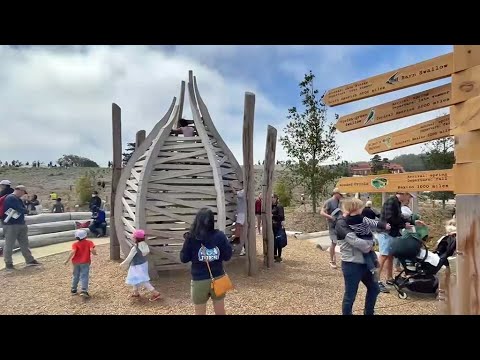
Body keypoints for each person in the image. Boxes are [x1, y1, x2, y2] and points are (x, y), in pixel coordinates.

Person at [180, 208, 233, 315]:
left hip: (199, 280)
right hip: (218, 277)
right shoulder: (220, 236)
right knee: (220, 311)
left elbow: (184, 258)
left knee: (199, 312)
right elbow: (227, 256)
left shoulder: (191, 238)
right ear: (212, 221)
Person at [377, 192, 426, 293]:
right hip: (386, 232)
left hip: (392, 232)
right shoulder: (391, 201)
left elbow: (399, 217)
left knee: (390, 255)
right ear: (404, 194)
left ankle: (389, 278)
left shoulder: (397, 202)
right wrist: (404, 225)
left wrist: (412, 222)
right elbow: (390, 218)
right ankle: (375, 282)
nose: (409, 199)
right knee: (383, 256)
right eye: (409, 196)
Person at [335, 207, 381, 315]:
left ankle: (369, 312)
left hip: (367, 263)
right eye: (359, 209)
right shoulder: (341, 224)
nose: (360, 212)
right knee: (350, 295)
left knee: (375, 288)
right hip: (352, 264)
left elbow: (371, 237)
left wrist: (374, 256)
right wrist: (372, 243)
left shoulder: (359, 221)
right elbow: (360, 244)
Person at [343, 198, 390, 280]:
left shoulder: (347, 219)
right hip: (367, 237)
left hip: (359, 237)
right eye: (361, 208)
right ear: (356, 208)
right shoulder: (362, 218)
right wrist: (384, 225)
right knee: (370, 251)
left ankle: (372, 267)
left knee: (366, 253)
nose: (362, 209)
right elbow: (373, 222)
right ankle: (374, 266)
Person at [2, 185, 41, 270]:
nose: (23, 194)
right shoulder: (10, 198)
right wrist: (26, 211)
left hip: (20, 223)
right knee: (9, 244)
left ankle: (29, 260)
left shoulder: (17, 199)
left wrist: (25, 210)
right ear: (19, 190)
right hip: (11, 225)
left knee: (24, 243)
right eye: (23, 192)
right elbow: (19, 209)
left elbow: (21, 208)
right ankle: (8, 263)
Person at [120, 229, 162, 301]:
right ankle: (135, 292)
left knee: (143, 280)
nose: (132, 238)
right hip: (143, 264)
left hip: (137, 266)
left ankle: (155, 293)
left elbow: (129, 258)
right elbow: (146, 252)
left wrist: (123, 264)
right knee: (135, 278)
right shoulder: (144, 244)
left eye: (133, 237)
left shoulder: (135, 248)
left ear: (136, 238)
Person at [64, 229, 97, 297]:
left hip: (75, 262)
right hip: (85, 262)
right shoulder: (89, 242)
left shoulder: (75, 244)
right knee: (84, 275)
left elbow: (73, 252)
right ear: (85, 236)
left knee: (75, 275)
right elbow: (91, 249)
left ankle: (73, 289)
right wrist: (95, 253)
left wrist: (67, 260)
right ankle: (84, 290)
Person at [320, 188, 344, 269]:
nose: (341, 196)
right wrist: (330, 217)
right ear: (336, 193)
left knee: (342, 241)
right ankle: (332, 261)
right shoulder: (329, 202)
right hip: (332, 225)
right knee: (334, 242)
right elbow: (322, 212)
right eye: (340, 194)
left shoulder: (339, 202)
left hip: (339, 224)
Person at [231, 180, 246, 256]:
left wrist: (231, 186)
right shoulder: (246, 191)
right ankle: (243, 248)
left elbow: (235, 193)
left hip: (242, 214)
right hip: (243, 213)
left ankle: (241, 248)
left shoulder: (243, 191)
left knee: (239, 230)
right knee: (241, 231)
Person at [272, 193, 285, 262]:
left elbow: (281, 216)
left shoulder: (279, 206)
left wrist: (273, 216)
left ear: (276, 198)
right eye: (271, 197)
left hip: (278, 227)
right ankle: (274, 256)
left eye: (273, 197)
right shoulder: (271, 206)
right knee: (273, 242)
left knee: (278, 242)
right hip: (272, 227)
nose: (272, 199)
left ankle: (279, 256)